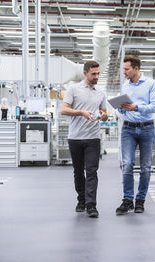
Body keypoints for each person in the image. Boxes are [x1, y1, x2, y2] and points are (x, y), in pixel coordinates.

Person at [61, 60, 108, 218]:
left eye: (98, 74)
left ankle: (91, 205)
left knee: (92, 171)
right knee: (78, 172)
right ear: (85, 72)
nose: (96, 76)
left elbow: (104, 114)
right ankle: (81, 199)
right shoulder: (73, 89)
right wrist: (81, 113)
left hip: (93, 138)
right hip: (75, 138)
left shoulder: (101, 92)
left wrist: (104, 115)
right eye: (93, 74)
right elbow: (64, 110)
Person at [116, 55, 155, 215]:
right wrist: (120, 107)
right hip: (128, 129)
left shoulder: (151, 84)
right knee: (127, 164)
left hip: (147, 129)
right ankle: (128, 200)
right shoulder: (125, 86)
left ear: (136, 69)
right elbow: (122, 109)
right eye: (123, 69)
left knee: (146, 167)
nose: (124, 72)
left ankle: (140, 201)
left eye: (126, 69)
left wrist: (136, 107)